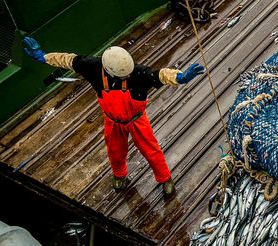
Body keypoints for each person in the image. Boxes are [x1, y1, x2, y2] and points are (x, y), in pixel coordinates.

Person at [22, 37, 205, 196]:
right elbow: (68, 60)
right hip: (113, 122)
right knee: (115, 152)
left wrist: (180, 77)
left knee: (152, 150)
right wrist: (43, 56)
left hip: (136, 121)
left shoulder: (137, 73)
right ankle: (119, 175)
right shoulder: (92, 66)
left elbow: (160, 74)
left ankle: (165, 178)